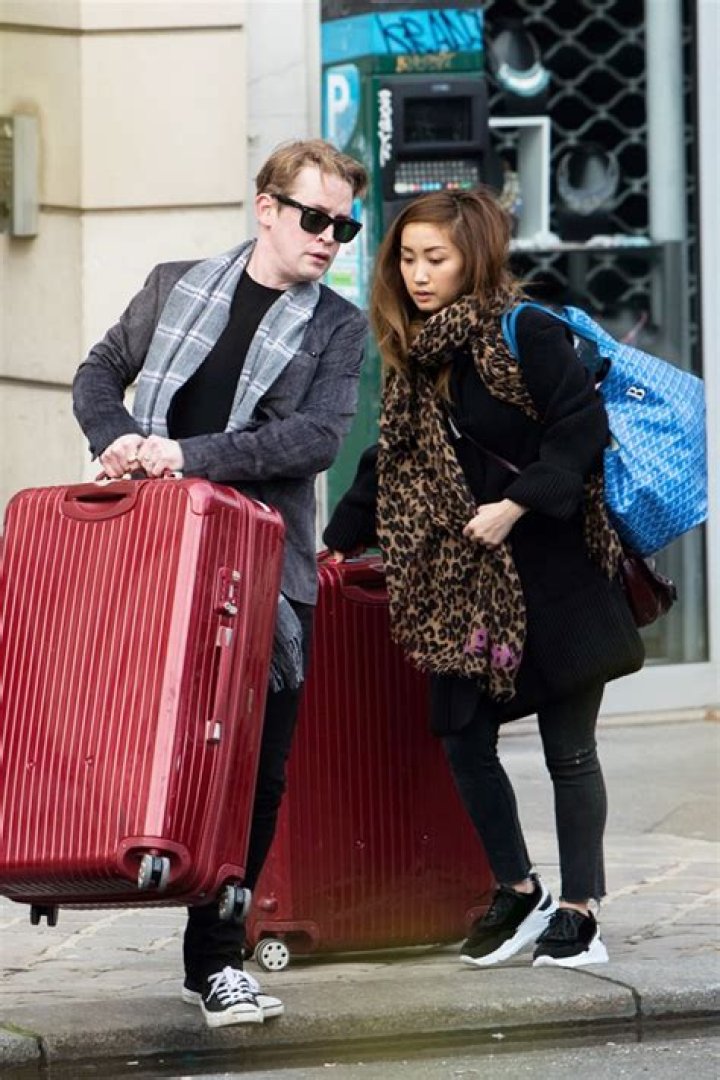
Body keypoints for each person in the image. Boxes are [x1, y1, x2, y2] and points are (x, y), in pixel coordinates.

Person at [72, 139, 368, 1027]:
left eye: (343, 225)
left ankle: (216, 960)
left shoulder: (337, 326)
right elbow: (97, 371)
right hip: (151, 557)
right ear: (266, 207)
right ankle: (89, 866)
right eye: (313, 217)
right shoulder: (174, 285)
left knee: (256, 772)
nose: (327, 238)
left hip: (265, 573)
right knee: (120, 736)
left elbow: (313, 440)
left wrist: (185, 455)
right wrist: (116, 436)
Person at [323, 188, 645, 970]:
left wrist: (516, 505)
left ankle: (580, 908)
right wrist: (333, 543)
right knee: (461, 737)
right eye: (407, 258)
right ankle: (518, 889)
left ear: (476, 256)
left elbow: (580, 430)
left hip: (555, 572)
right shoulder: (415, 349)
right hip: (463, 586)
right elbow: (389, 461)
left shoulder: (524, 330)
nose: (419, 274)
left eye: (436, 258)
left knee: (570, 750)